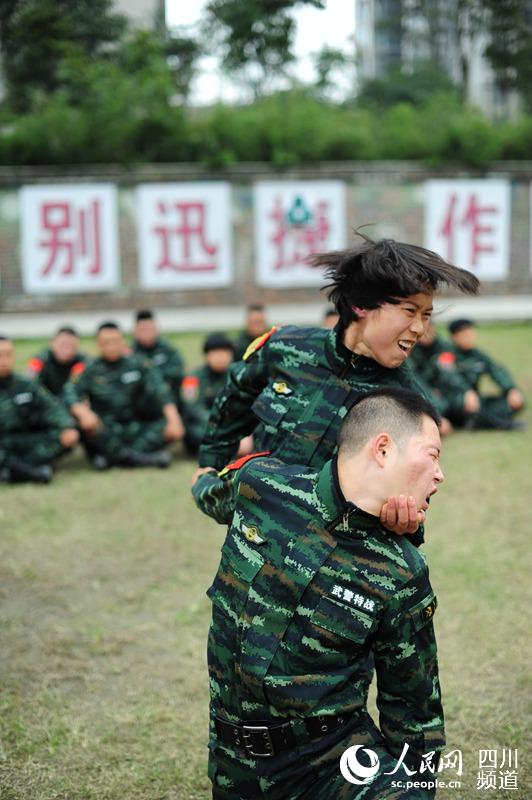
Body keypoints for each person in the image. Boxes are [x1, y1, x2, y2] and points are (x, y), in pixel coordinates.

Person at [193, 388, 445, 800]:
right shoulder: (262, 485)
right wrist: (202, 474)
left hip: (333, 764)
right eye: (432, 455)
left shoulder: (401, 570)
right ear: (383, 449)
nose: (439, 474)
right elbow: (210, 491)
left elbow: (414, 712)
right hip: (233, 766)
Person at [197, 235, 478, 536]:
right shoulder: (286, 348)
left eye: (426, 315)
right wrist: (210, 467)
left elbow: (414, 506)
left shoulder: (408, 404)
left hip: (327, 553)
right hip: (255, 539)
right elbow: (233, 403)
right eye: (410, 311)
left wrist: (404, 523)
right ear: (361, 305)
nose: (420, 329)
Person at [64, 322, 182, 469]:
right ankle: (143, 459)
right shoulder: (88, 368)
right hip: (104, 428)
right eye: (105, 343)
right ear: (98, 345)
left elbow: (160, 390)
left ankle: (111, 458)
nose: (111, 347)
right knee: (85, 426)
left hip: (134, 427)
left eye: (115, 342)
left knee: (165, 425)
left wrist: (173, 419)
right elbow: (69, 392)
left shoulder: (138, 364)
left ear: (123, 341)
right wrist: (82, 412)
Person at [0, 336, 79, 483]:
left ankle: (12, 471)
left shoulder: (25, 384)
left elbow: (52, 406)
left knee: (65, 436)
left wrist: (67, 426)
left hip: (24, 439)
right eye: (0, 355)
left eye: (8, 355)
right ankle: (30, 472)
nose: (4, 361)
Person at [181, 333, 252, 457]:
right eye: (216, 353)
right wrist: (223, 424)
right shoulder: (193, 378)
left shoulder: (239, 376)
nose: (220, 357)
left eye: (224, 353)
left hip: (233, 425)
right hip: (207, 425)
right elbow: (193, 408)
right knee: (195, 432)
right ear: (207, 355)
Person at [448, 319, 525, 430]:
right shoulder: (446, 354)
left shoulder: (478, 355)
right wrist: (466, 392)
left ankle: (476, 420)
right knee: (465, 405)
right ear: (454, 337)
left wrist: (510, 389)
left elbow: (496, 371)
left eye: (471, 332)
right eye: (464, 334)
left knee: (512, 402)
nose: (469, 336)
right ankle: (501, 423)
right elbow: (448, 378)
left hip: (475, 401)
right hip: (454, 399)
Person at [409, 322, 480, 430]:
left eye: (429, 329)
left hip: (444, 393)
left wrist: (466, 391)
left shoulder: (443, 347)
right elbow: (413, 378)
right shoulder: (410, 348)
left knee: (466, 402)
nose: (426, 334)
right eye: (423, 330)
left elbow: (450, 373)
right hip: (423, 394)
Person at [132, 309, 186, 411]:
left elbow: (179, 372)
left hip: (170, 400)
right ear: (135, 331)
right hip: (141, 406)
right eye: (143, 330)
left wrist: (158, 377)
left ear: (156, 329)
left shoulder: (168, 349)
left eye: (150, 329)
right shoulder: (129, 352)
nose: (147, 333)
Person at [27, 326, 88, 399]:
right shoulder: (40, 360)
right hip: (45, 400)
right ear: (52, 343)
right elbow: (30, 384)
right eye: (63, 345)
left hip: (71, 400)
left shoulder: (83, 361)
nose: (68, 351)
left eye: (72, 346)